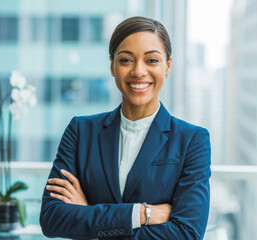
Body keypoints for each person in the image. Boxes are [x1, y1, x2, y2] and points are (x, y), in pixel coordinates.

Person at [40, 16, 211, 240]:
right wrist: (142, 213)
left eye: (151, 60)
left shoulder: (192, 140)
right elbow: (52, 219)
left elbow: (186, 233)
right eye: (126, 60)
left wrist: (90, 222)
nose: (139, 71)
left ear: (167, 66)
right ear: (112, 65)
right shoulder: (80, 131)